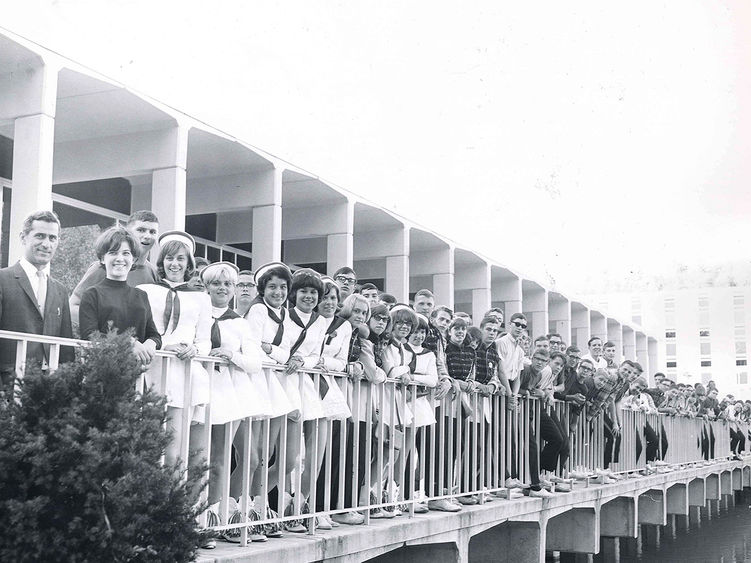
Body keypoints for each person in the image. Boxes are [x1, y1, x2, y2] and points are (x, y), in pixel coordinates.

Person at [200, 261, 272, 543]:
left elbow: (255, 363)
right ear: (206, 287)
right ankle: (206, 520)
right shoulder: (199, 315)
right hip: (206, 390)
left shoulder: (240, 323)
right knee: (212, 458)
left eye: (227, 284)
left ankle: (227, 514)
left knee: (247, 457)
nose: (222, 288)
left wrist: (232, 355)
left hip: (234, 393)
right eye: (216, 283)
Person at [137, 231, 213, 466]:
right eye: (169, 258)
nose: (175, 264)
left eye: (181, 258)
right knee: (147, 446)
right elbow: (140, 330)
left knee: (173, 451)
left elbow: (205, 341)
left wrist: (194, 350)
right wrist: (161, 346)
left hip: (182, 374)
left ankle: (170, 501)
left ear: (189, 263)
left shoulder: (201, 298)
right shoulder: (145, 290)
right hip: (152, 369)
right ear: (162, 262)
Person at [0, 210, 74, 394]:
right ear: (23, 238)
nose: (46, 244)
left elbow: (65, 347)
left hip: (50, 388)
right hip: (10, 385)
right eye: (39, 236)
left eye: (52, 238)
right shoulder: (2, 279)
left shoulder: (60, 290)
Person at [245, 262, 295, 535]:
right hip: (256, 382)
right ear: (263, 288)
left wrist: (272, 350)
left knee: (267, 454)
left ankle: (259, 506)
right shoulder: (257, 310)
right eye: (273, 286)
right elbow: (252, 346)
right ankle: (239, 508)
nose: (278, 291)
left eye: (283, 287)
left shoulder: (285, 314)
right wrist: (273, 352)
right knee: (252, 455)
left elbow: (286, 353)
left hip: (274, 384)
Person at [79, 226, 161, 362]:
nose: (119, 258)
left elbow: (154, 335)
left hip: (135, 372)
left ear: (134, 259)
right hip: (103, 369)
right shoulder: (92, 294)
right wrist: (129, 343)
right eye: (113, 252)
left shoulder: (141, 295)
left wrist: (150, 343)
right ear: (102, 259)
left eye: (126, 253)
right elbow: (90, 335)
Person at [70, 210, 159, 328]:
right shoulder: (103, 268)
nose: (147, 236)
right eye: (141, 230)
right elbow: (72, 308)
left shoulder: (153, 273)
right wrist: (109, 333)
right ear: (128, 232)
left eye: (152, 232)